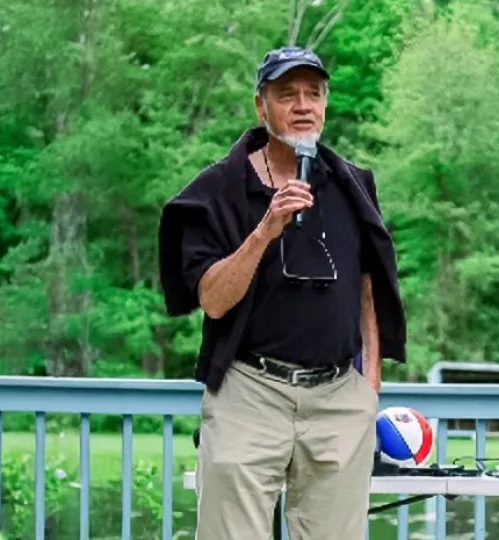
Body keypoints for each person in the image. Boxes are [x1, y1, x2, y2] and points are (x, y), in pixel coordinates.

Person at [156, 46, 407, 540]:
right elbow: (212, 299)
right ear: (260, 106)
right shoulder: (218, 190)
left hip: (339, 397)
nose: (302, 105)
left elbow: (367, 284)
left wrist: (369, 384)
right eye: (287, 93)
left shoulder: (352, 183)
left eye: (313, 94)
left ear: (326, 105)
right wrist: (265, 229)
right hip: (250, 392)